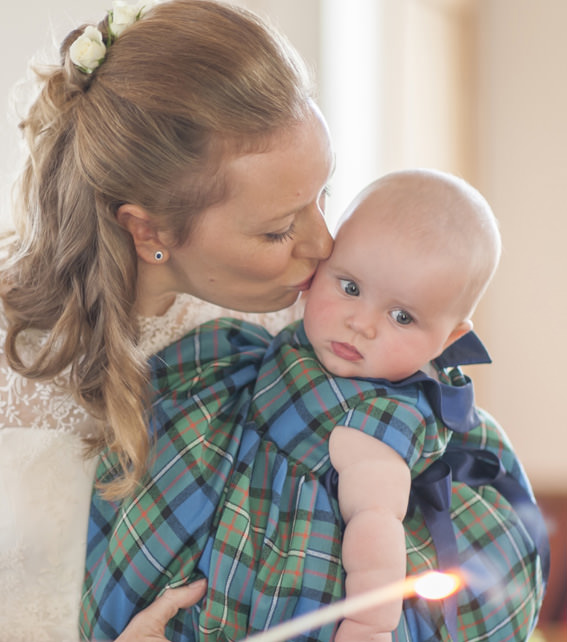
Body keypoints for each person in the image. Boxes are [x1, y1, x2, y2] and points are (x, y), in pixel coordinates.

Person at [0, 0, 546, 640]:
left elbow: (468, 545)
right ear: (148, 229)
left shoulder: (320, 321)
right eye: (280, 229)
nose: (322, 245)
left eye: (323, 196)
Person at [83, 171, 548, 641]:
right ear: (319, 271)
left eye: (402, 316)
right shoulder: (289, 346)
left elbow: (375, 522)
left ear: (449, 340)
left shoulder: (383, 418)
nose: (360, 324)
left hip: (293, 560)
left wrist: (368, 622)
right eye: (349, 287)